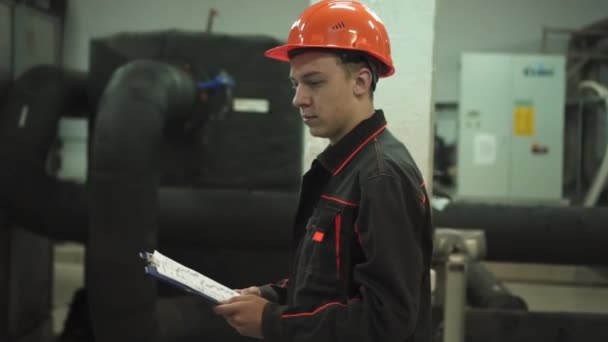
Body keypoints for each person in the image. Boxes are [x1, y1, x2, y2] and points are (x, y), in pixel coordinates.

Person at [213, 1, 434, 341]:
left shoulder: (381, 176)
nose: (298, 99)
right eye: (295, 84)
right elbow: (333, 281)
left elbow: (387, 320)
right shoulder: (344, 166)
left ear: (361, 81)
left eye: (313, 82)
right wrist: (274, 296)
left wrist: (274, 322)